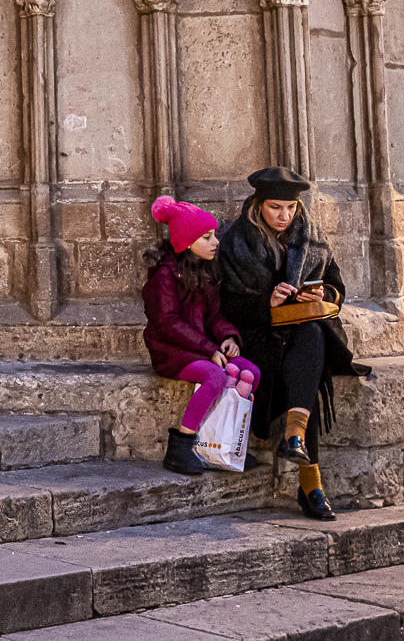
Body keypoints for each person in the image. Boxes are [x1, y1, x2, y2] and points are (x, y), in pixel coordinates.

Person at [216, 166, 370, 520]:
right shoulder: (235, 243)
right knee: (307, 372)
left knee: (311, 338)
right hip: (259, 335)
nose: (284, 216)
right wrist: (266, 303)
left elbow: (337, 288)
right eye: (275, 208)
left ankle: (296, 442)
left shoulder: (312, 236)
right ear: (258, 205)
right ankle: (310, 483)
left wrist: (321, 291)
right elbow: (227, 305)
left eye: (290, 208)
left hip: (304, 329)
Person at [142, 196, 260, 476]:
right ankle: (180, 447)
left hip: (201, 349)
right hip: (171, 352)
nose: (216, 241)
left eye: (215, 235)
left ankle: (227, 443)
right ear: (186, 242)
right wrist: (208, 349)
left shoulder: (207, 272)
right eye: (207, 237)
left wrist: (228, 338)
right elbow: (166, 323)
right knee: (216, 376)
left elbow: (214, 318)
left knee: (251, 371)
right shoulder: (164, 277)